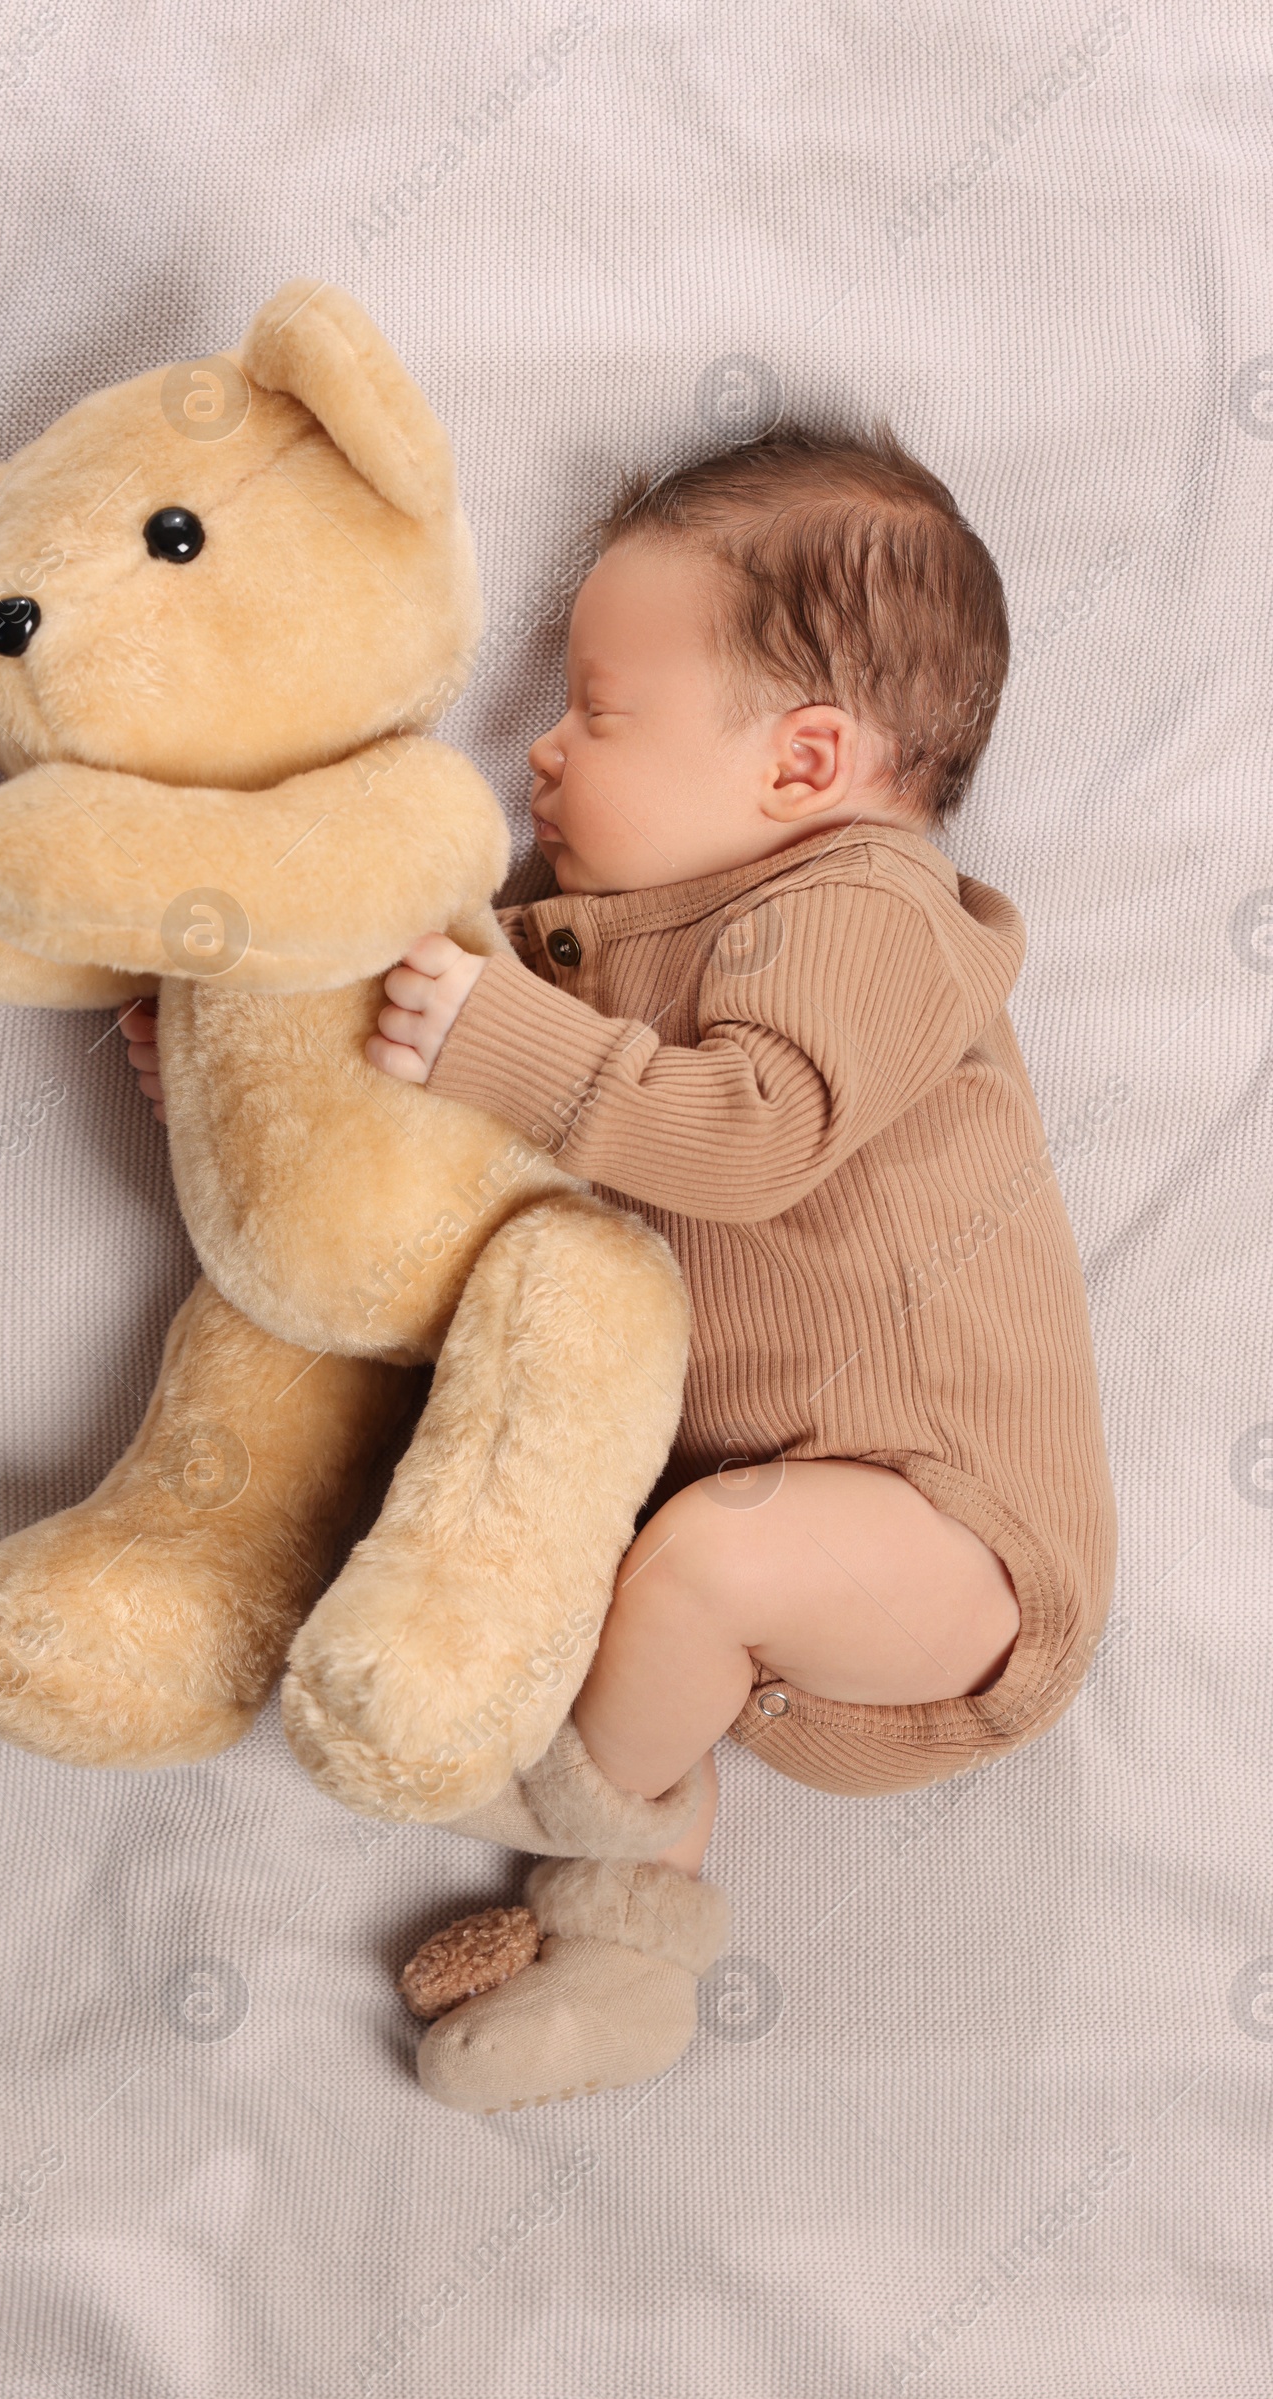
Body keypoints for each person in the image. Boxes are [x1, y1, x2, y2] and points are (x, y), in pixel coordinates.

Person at [122, 423, 1117, 2112]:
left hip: (952, 1532)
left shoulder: (867, 910)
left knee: (711, 1568)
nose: (539, 750)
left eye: (599, 711)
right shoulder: (594, 933)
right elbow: (435, 1070)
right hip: (747, 1520)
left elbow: (746, 1134)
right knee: (666, 1571)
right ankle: (622, 1942)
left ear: (804, 764)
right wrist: (255, 1037)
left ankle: (514, 1785)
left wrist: (501, 1031)